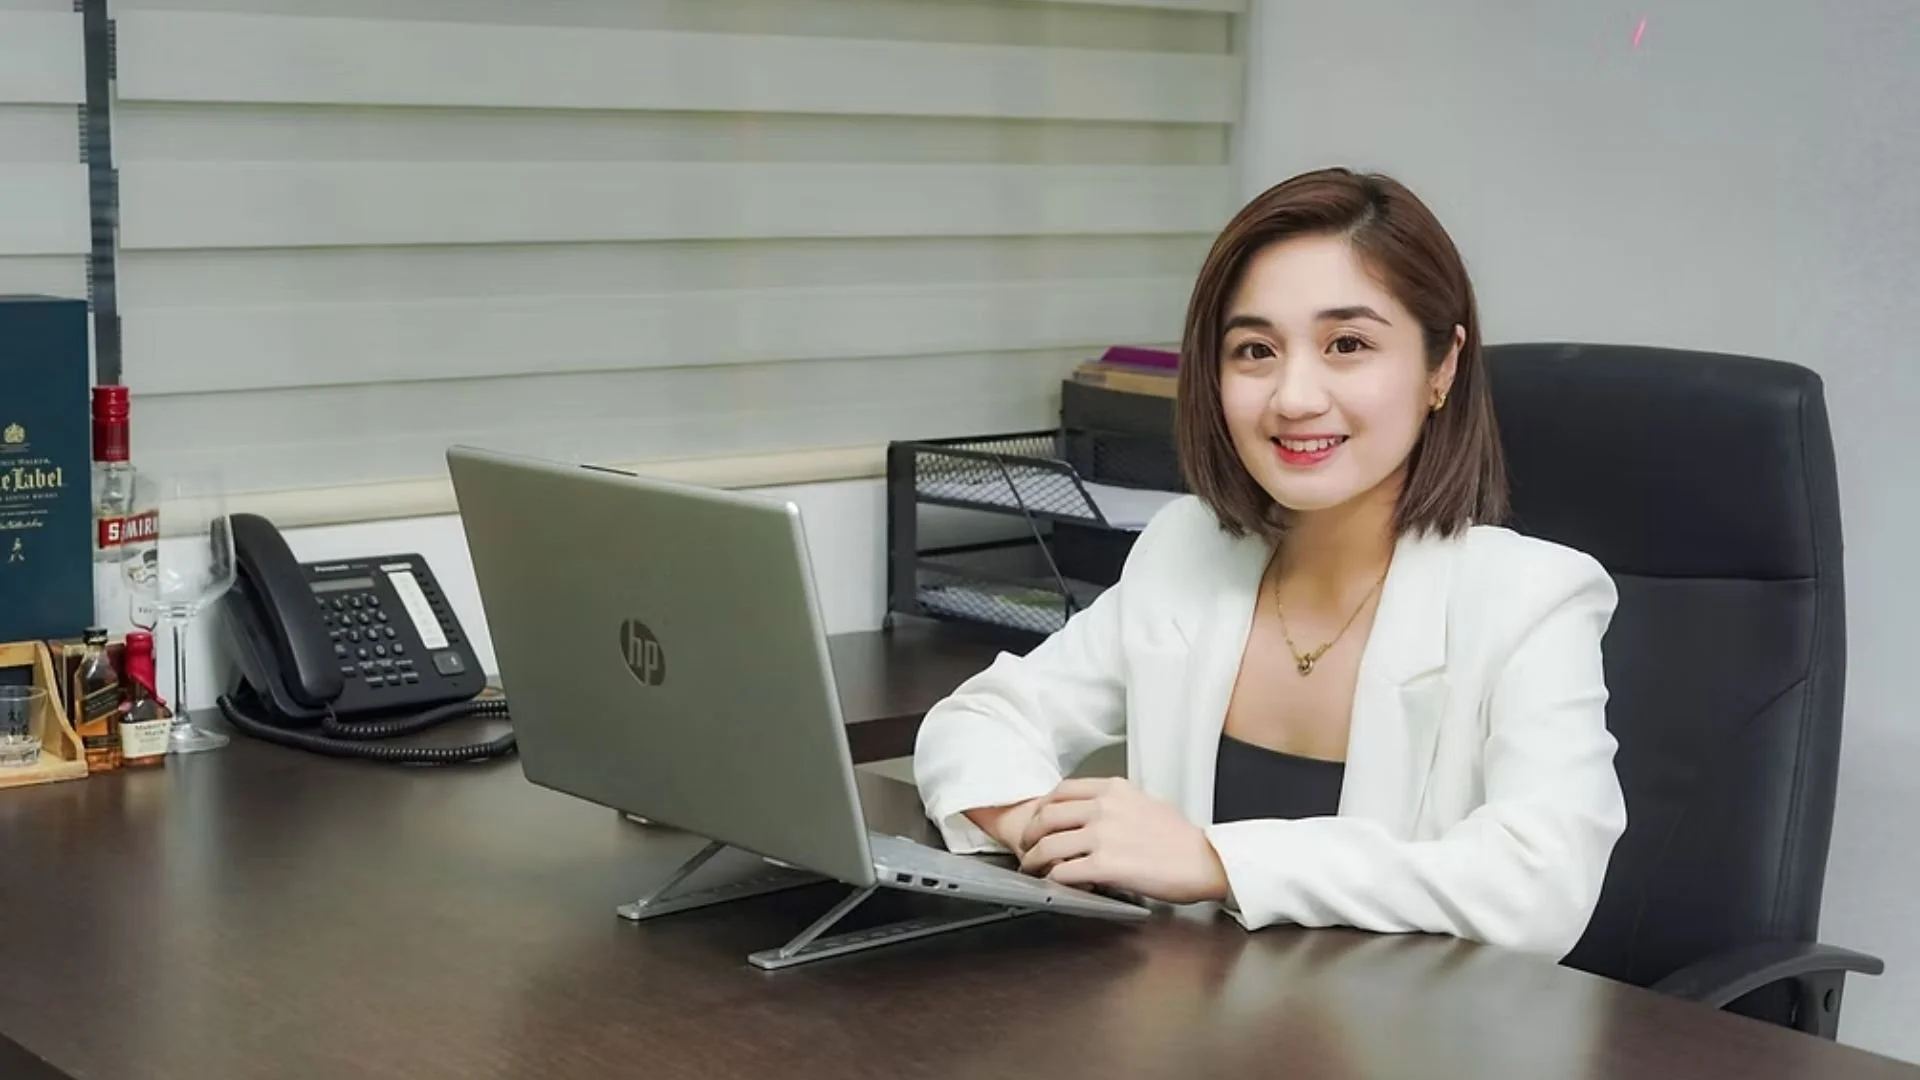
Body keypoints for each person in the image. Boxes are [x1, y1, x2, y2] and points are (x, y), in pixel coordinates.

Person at [912, 167, 1627, 958]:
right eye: (1255, 350)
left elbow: (1543, 883)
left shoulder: (1530, 598)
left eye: (1347, 345)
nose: (1292, 396)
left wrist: (1214, 861)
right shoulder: (1188, 546)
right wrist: (1045, 829)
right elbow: (979, 719)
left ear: (1442, 367)